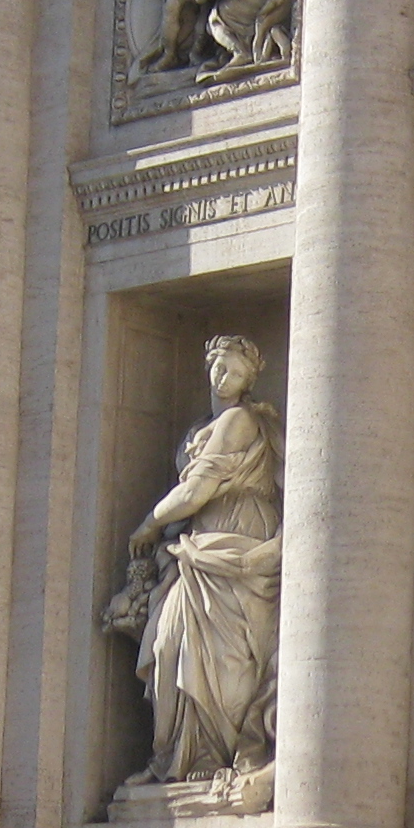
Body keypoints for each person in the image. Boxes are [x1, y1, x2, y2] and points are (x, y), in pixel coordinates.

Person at [108, 333, 283, 791]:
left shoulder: (240, 420)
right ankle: (176, 755)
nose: (224, 377)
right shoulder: (202, 424)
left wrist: (148, 523)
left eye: (236, 372)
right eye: (219, 367)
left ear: (249, 381)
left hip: (235, 538)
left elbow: (197, 489)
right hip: (195, 544)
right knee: (170, 647)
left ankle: (215, 755)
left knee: (227, 660)